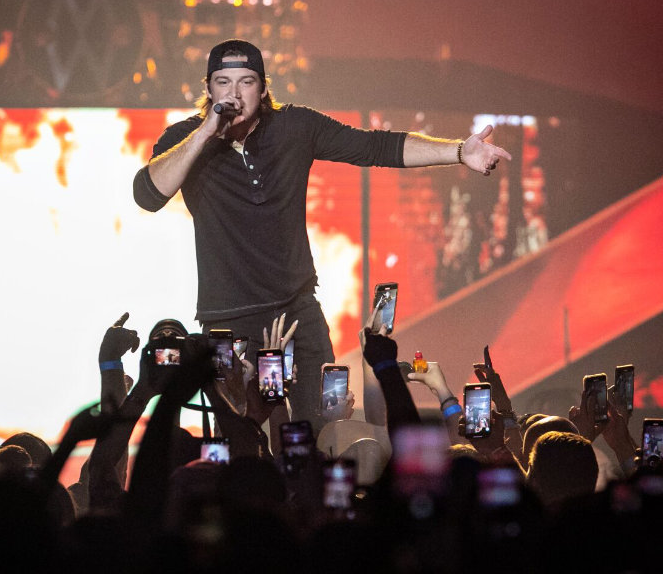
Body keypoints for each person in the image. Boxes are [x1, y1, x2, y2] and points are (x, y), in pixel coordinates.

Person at [133, 38, 512, 432]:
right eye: (223, 82)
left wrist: (457, 151)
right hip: (228, 321)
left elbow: (374, 146)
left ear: (263, 89)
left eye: (245, 82)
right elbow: (148, 196)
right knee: (244, 438)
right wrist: (206, 133)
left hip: (298, 313)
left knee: (322, 428)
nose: (233, 93)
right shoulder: (183, 140)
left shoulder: (295, 126)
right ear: (208, 89)